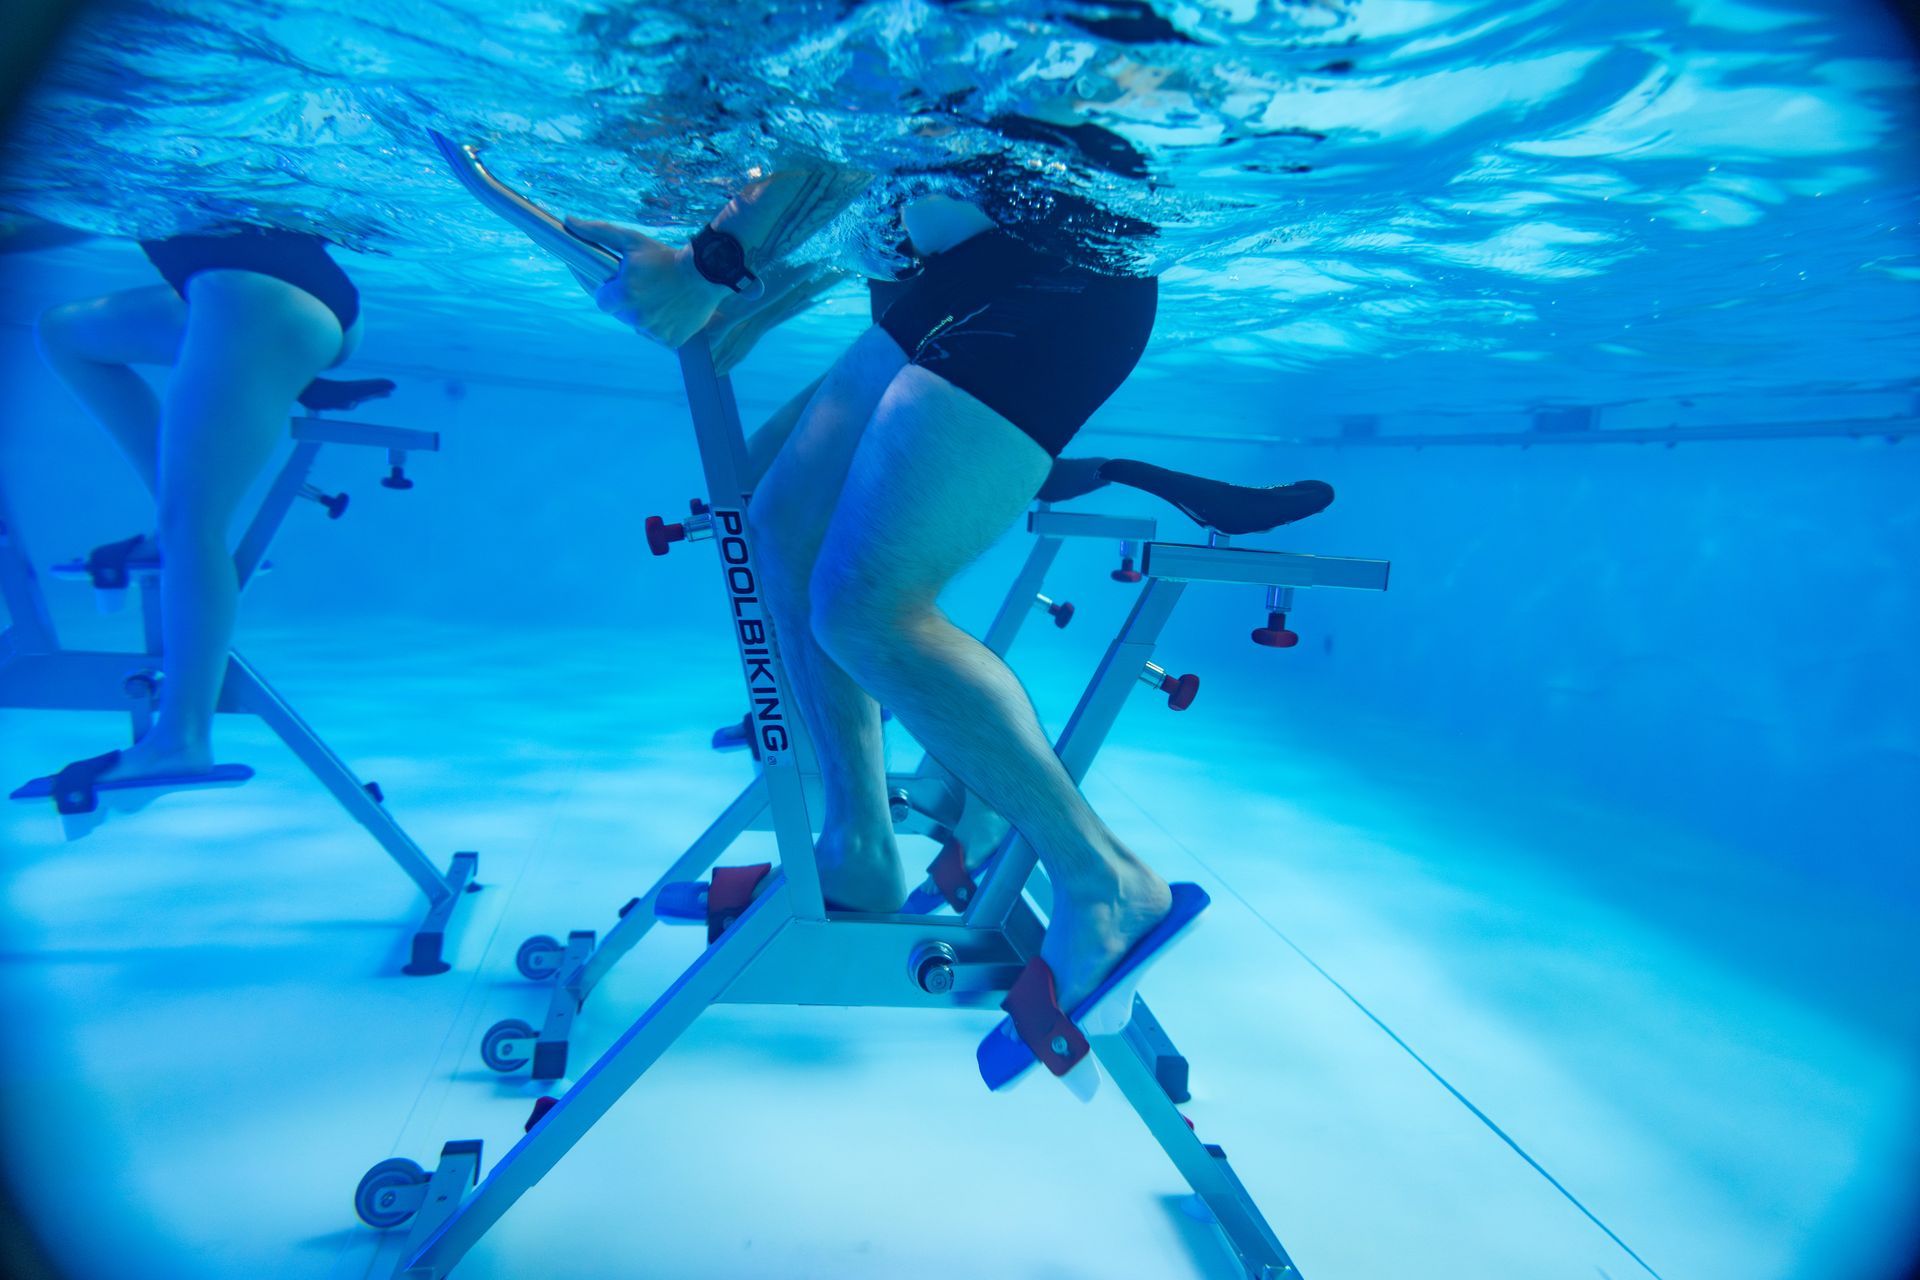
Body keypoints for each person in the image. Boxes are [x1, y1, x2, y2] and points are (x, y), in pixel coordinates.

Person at [567, 109, 1176, 1023]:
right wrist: (736, 295)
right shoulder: (888, 159)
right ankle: (859, 844)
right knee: (769, 517)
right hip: (964, 282)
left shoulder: (881, 65)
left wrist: (707, 266)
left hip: (1067, 270)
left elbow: (826, 141)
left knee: (866, 609)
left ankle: (1106, 879)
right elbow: (879, 257)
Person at [28, 226, 362, 798]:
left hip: (264, 296)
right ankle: (172, 521)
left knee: (195, 527)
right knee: (64, 331)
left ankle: (180, 738)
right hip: (235, 293)